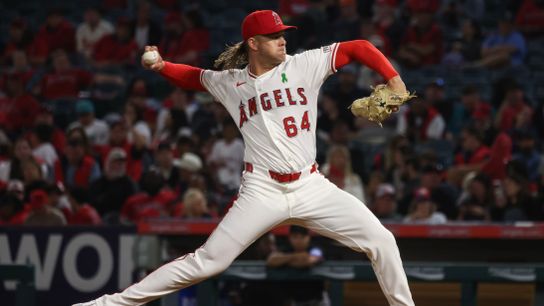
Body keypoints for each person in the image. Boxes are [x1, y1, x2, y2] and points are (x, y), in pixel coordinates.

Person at [73, 10, 414, 306]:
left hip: (312, 185)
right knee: (208, 262)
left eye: (283, 35)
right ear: (253, 43)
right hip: (262, 189)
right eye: (273, 36)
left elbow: (359, 47)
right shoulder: (230, 83)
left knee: (382, 240)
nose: (282, 41)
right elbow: (194, 77)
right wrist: (162, 66)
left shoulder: (304, 65)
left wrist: (394, 80)